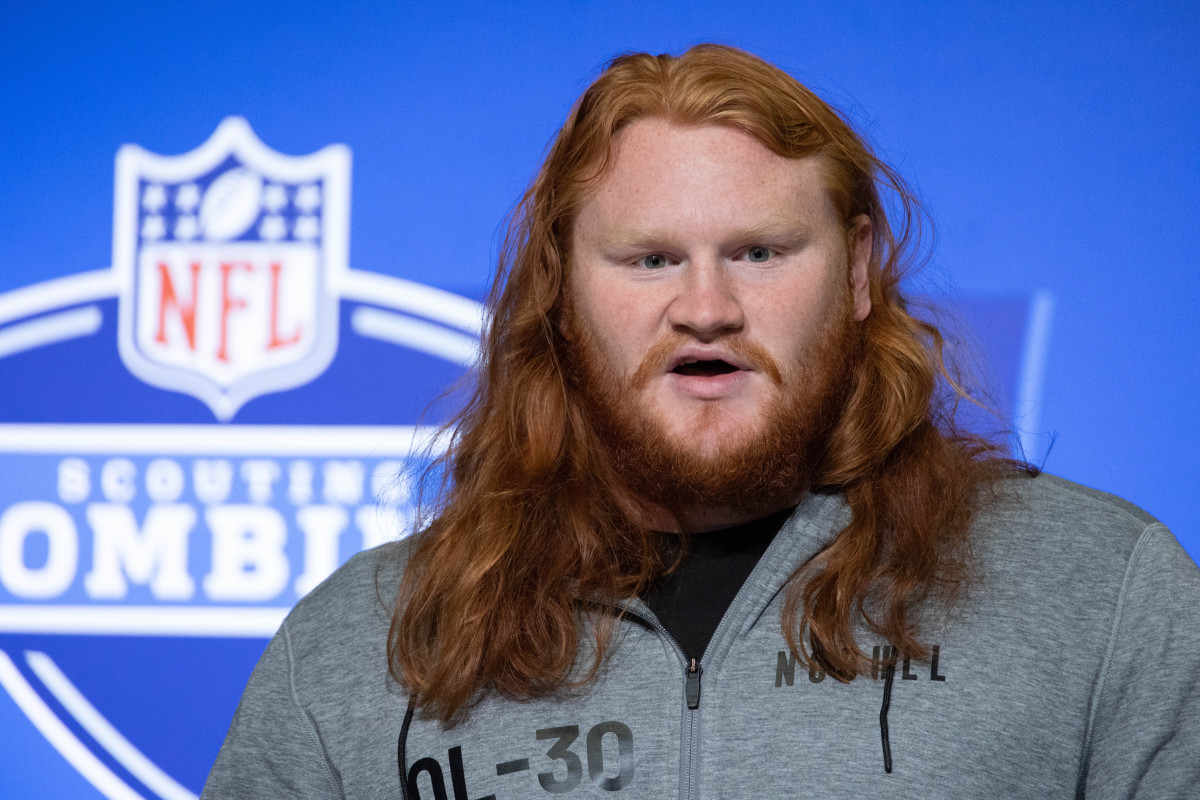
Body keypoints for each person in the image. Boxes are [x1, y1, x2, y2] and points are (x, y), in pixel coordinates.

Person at [201, 45, 1200, 799]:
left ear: (856, 272)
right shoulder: (362, 644)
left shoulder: (1100, 596)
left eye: (762, 252)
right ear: (560, 291)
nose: (708, 305)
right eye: (648, 259)